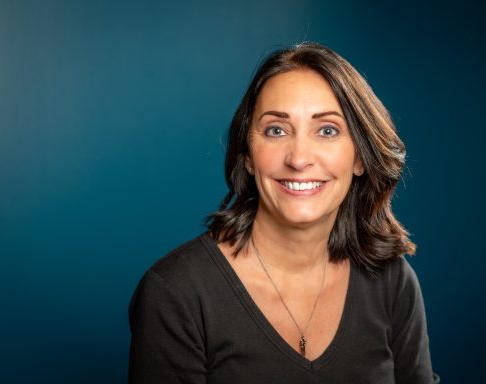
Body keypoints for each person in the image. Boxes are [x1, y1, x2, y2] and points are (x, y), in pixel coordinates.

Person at [128, 42, 439, 383]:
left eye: (327, 131)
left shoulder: (391, 280)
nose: (298, 158)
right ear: (247, 154)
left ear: (361, 158)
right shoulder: (177, 292)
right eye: (276, 130)